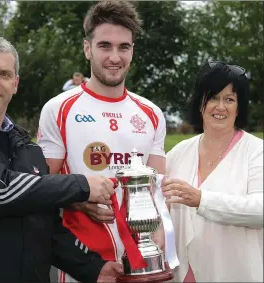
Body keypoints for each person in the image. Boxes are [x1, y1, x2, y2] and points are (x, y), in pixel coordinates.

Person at [0, 35, 123, 283]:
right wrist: (80, 185)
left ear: (15, 84)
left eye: (5, 74)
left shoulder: (28, 149)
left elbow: (45, 227)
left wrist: (94, 268)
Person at [37, 1, 178, 282]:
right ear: (87, 48)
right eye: (105, 46)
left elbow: (157, 189)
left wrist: (159, 241)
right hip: (84, 265)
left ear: (132, 50)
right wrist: (76, 201)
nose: (115, 57)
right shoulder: (59, 109)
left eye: (123, 47)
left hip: (142, 263)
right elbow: (42, 188)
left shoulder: (150, 113)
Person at [162, 61, 263, 282]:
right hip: (182, 275)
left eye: (230, 99)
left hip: (235, 273)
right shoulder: (179, 152)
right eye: (213, 97)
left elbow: (260, 211)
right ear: (200, 103)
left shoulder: (256, 152)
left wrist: (202, 200)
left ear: (239, 107)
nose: (220, 106)